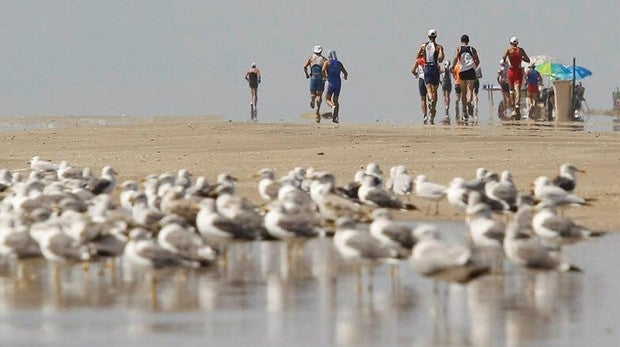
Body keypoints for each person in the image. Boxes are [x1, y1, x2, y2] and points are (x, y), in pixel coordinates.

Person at [415, 28, 445, 125]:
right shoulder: (439, 47)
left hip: (427, 68)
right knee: (435, 90)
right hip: (435, 69)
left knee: (428, 89)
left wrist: (423, 56)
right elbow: (440, 59)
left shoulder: (423, 46)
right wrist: (440, 55)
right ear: (436, 36)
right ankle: (432, 104)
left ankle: (431, 100)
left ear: (428, 36)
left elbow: (417, 55)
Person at [452, 34, 480, 122]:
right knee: (470, 90)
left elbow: (456, 58)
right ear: (468, 40)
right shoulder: (472, 49)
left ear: (461, 41)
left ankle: (464, 110)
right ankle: (469, 103)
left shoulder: (459, 49)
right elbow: (477, 60)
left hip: (462, 71)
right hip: (471, 71)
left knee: (463, 92)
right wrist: (474, 66)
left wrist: (453, 67)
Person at [503, 36, 530, 120]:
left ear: (511, 43)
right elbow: (528, 60)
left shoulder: (508, 50)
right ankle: (517, 104)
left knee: (511, 90)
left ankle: (513, 107)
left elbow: (503, 58)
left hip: (511, 70)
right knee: (517, 88)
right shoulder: (520, 50)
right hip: (518, 70)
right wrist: (521, 58)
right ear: (517, 43)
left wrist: (506, 60)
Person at [322, 50, 348, 124]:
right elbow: (345, 73)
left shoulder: (327, 63)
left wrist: (325, 77)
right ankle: (335, 118)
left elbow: (323, 70)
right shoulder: (339, 63)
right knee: (336, 100)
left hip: (331, 82)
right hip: (338, 83)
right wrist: (345, 77)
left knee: (327, 99)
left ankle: (332, 106)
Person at [304, 45, 328, 122]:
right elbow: (326, 69)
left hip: (313, 77)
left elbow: (304, 66)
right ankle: (317, 110)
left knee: (313, 93)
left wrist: (307, 74)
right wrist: (326, 76)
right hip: (321, 78)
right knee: (319, 94)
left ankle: (312, 99)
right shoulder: (324, 59)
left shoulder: (311, 58)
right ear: (321, 51)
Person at [411, 57, 428, 123]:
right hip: (429, 78)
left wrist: (416, 74)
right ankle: (430, 103)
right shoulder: (431, 59)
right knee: (430, 94)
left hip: (421, 78)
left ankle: (425, 115)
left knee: (423, 98)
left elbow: (412, 70)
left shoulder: (418, 61)